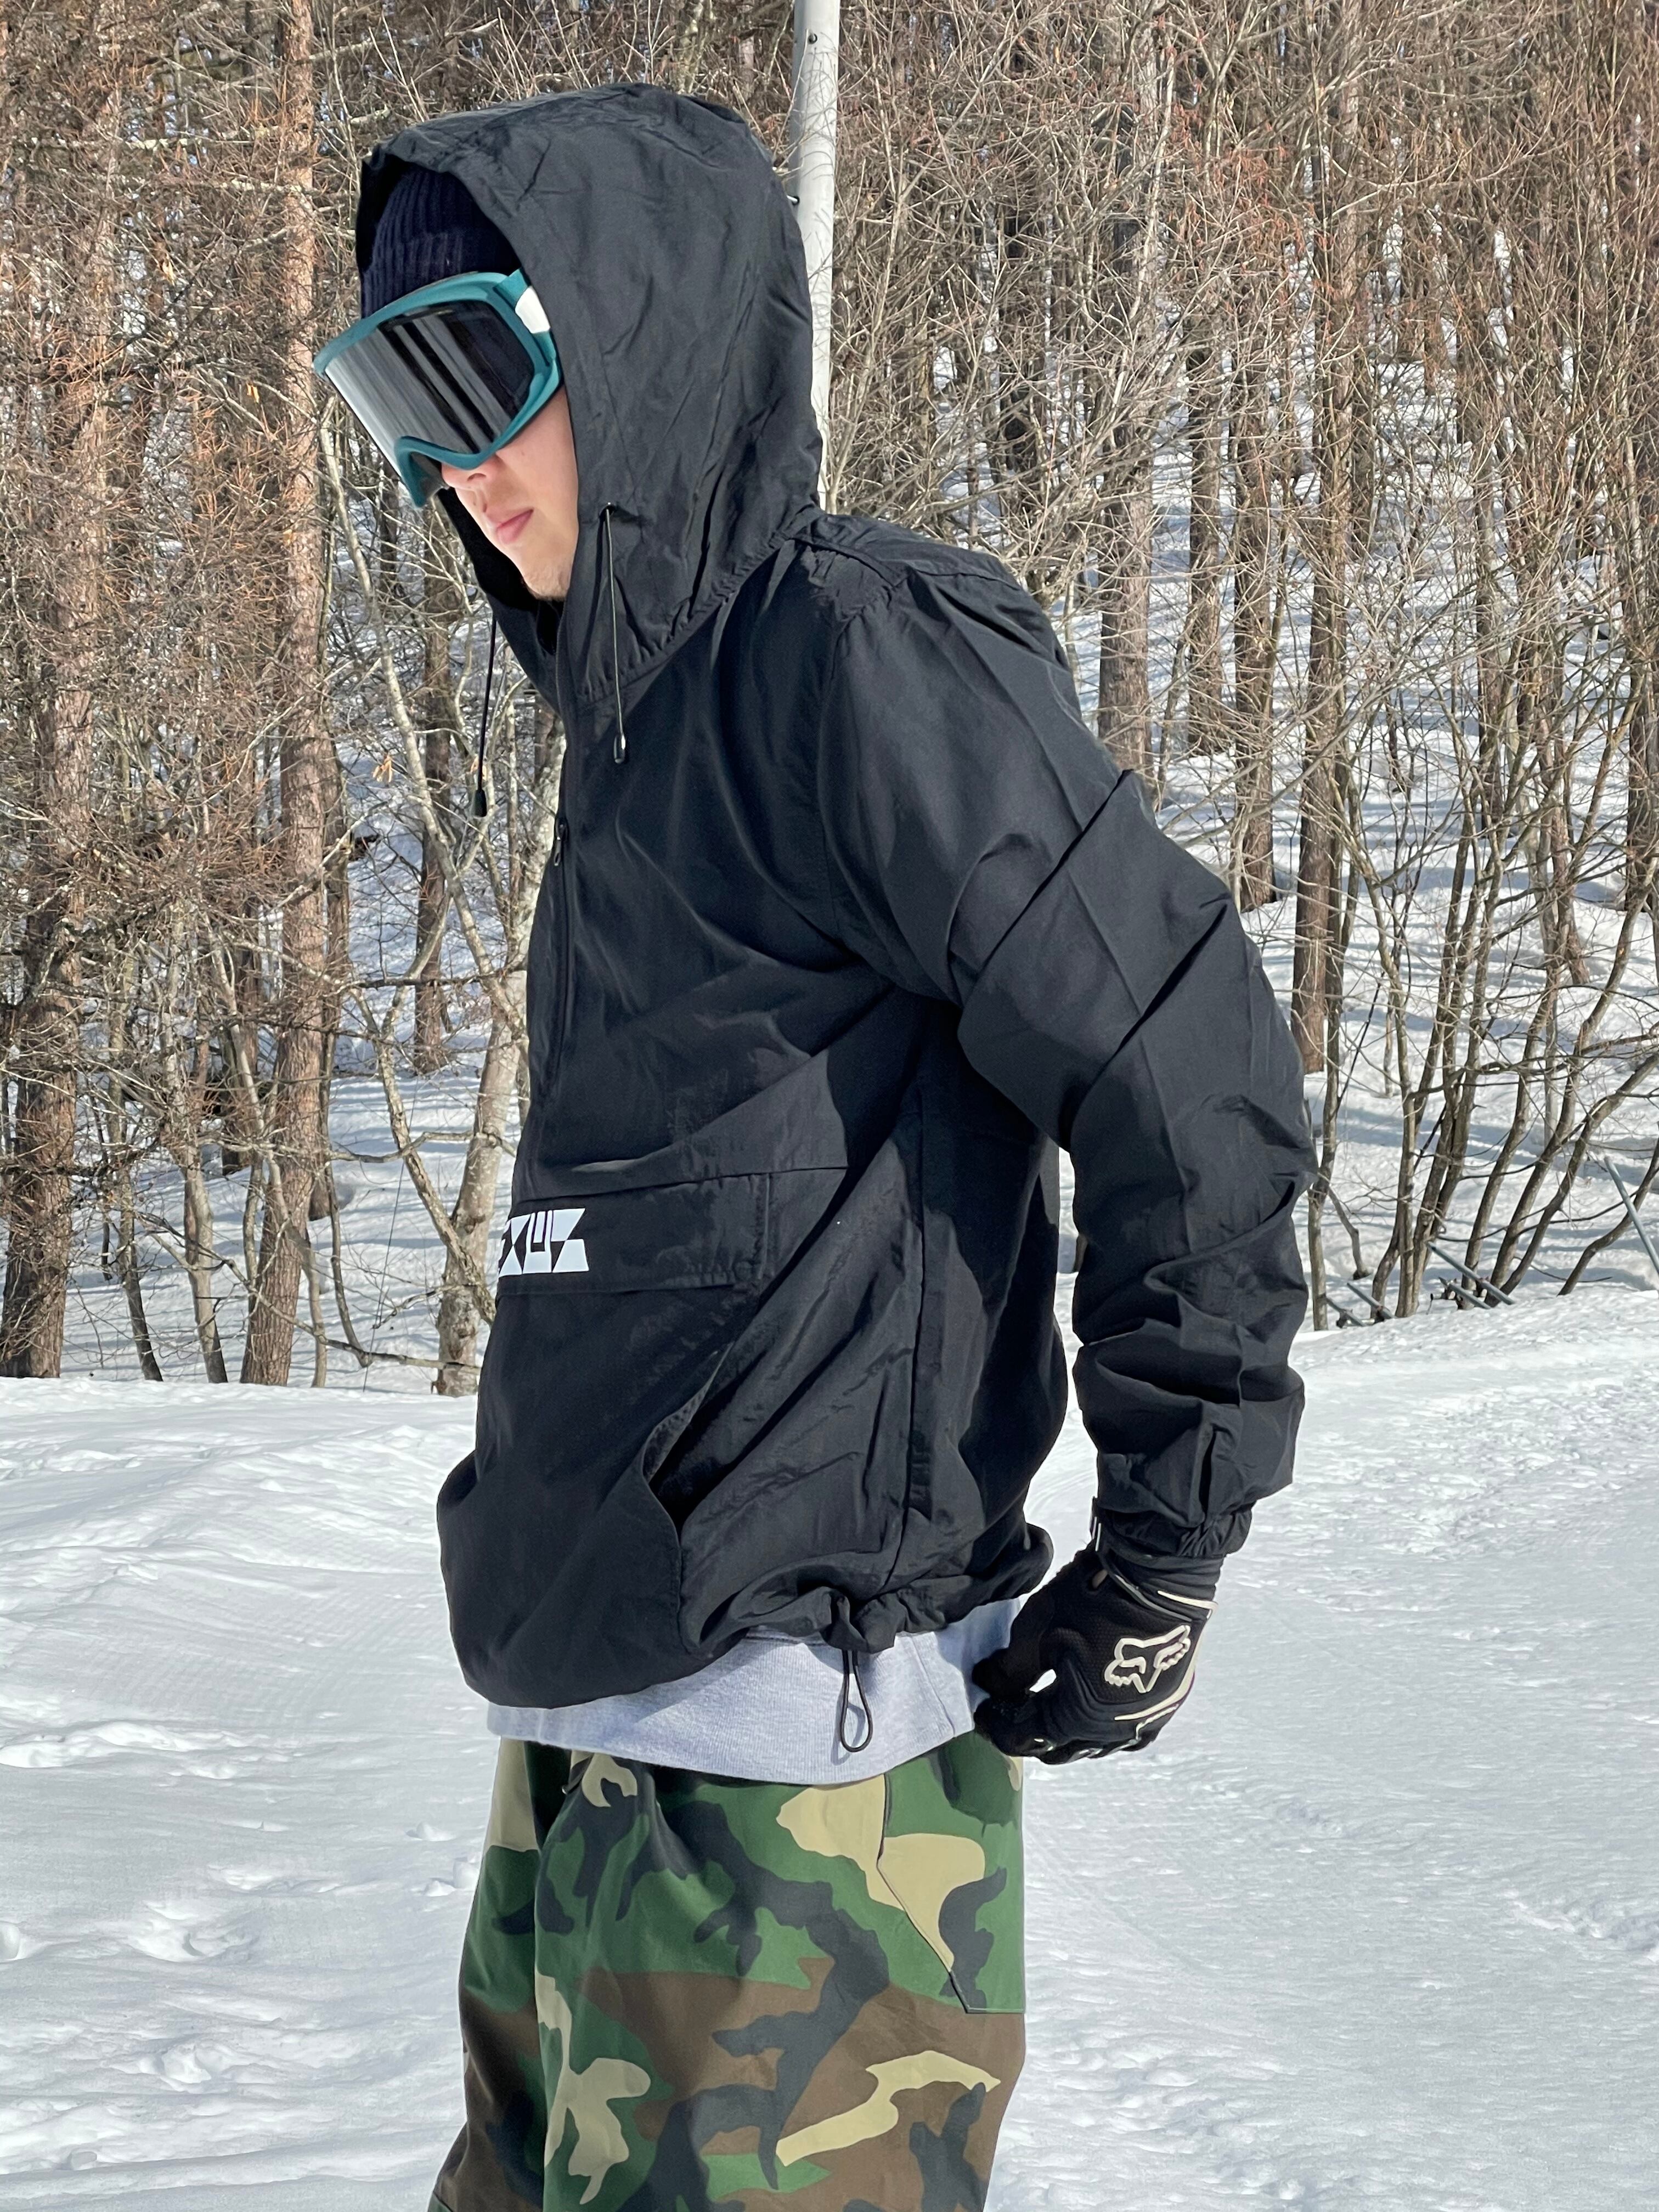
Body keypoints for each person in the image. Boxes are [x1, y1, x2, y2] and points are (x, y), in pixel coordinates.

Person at [320, 82, 1311, 2212]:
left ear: (636, 345)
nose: (451, 462)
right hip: (585, 1763)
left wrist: (1168, 1544)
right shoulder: (631, 741)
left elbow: (1190, 1068)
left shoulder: (854, 661)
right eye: (397, 401)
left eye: (477, 370)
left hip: (804, 1813)